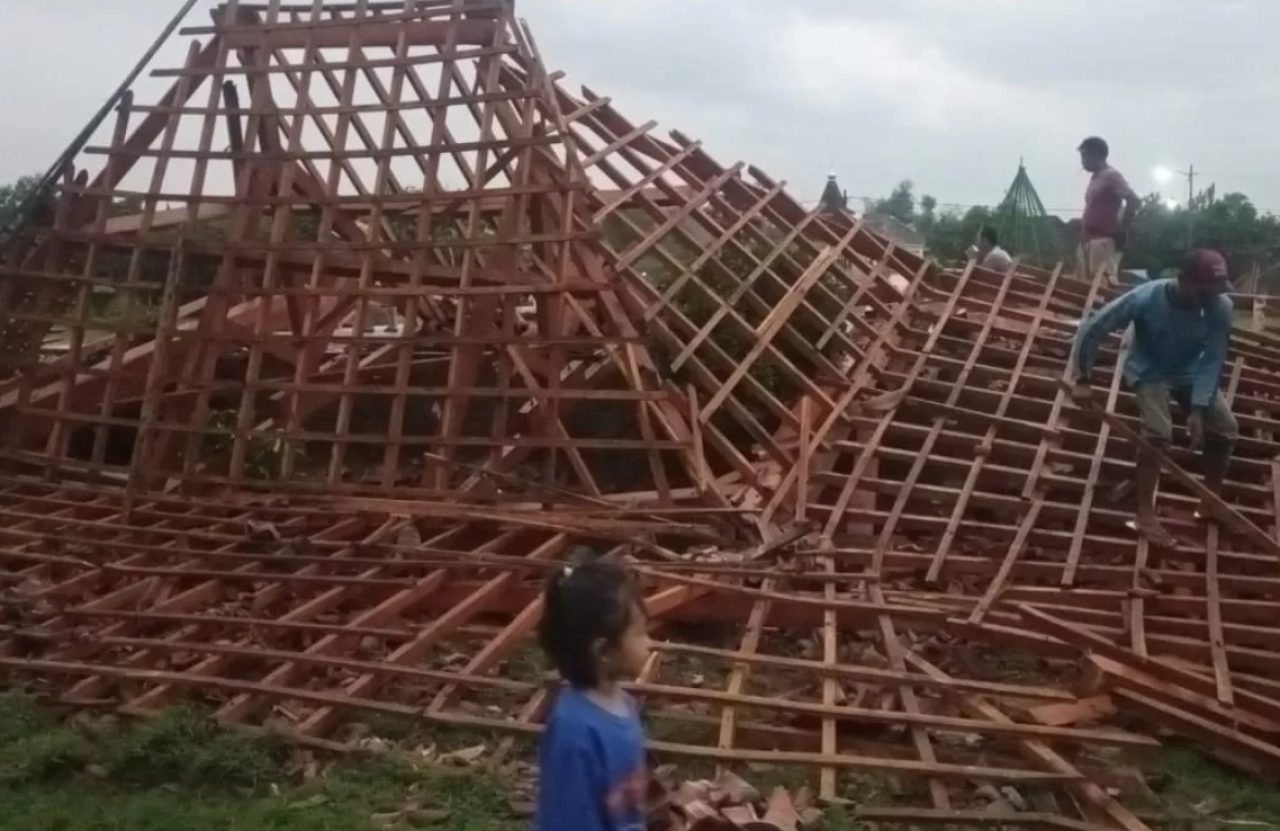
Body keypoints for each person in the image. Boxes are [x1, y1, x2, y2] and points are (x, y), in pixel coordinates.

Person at [1072, 248, 1237, 548]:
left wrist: (1199, 408)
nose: (1211, 296)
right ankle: (1144, 513)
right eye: (1205, 289)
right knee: (1159, 434)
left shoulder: (1219, 306)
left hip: (1189, 369)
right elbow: (1093, 329)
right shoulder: (1147, 298)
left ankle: (1209, 501)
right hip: (1149, 368)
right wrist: (1083, 378)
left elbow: (1213, 359)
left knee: (1225, 430)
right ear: (1184, 280)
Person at [535, 556, 651, 831]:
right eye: (639, 633)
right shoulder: (575, 734)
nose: (649, 642)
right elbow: (571, 820)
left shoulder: (623, 704)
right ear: (603, 651)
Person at [1077, 136, 1140, 286]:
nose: (1082, 161)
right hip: (1088, 241)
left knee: (1102, 285)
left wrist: (1123, 230)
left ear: (1096, 155)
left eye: (1085, 156)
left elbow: (1134, 200)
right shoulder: (1095, 178)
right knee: (1084, 287)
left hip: (1103, 241)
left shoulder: (1111, 176)